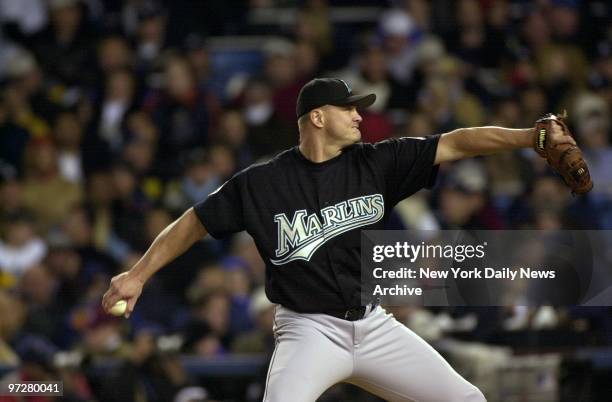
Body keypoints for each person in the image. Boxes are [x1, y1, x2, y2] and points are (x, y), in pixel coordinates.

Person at [102, 78, 575, 401]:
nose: (359, 116)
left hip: (372, 325)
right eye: (348, 107)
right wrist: (138, 275)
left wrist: (529, 138)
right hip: (308, 330)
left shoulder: (376, 163)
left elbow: (457, 142)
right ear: (316, 117)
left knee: (465, 398)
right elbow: (193, 222)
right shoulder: (263, 183)